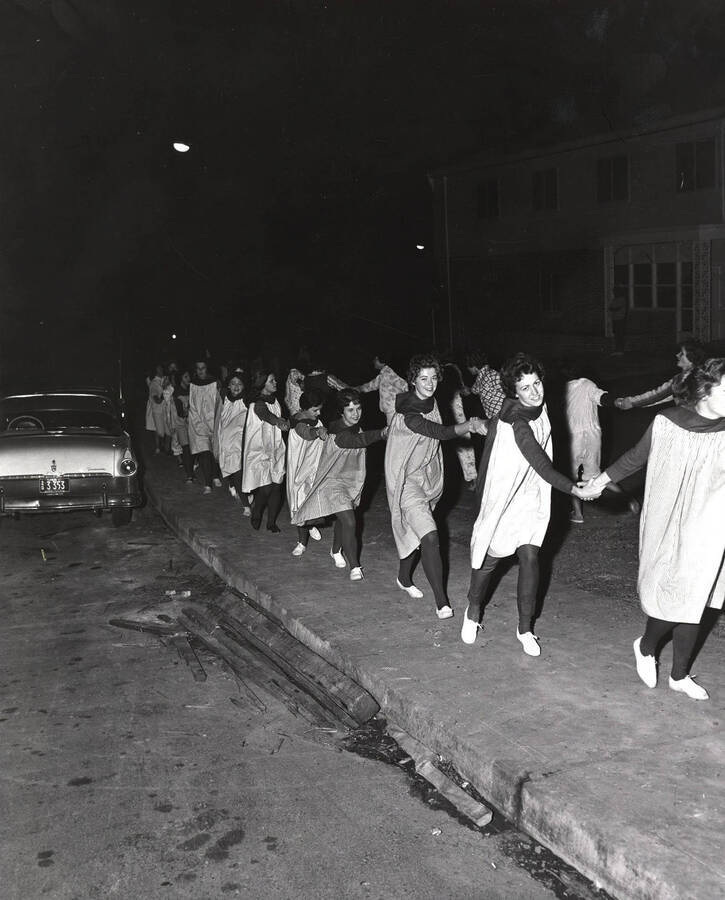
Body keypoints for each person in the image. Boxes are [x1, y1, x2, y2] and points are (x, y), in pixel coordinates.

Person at [586, 358, 725, 700]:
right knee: (674, 594)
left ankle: (679, 675)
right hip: (671, 517)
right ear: (705, 391)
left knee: (699, 596)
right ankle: (647, 646)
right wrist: (599, 481)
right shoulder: (667, 422)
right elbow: (635, 457)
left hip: (711, 521)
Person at [462, 353, 599, 653]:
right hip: (506, 493)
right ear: (514, 393)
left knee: (531, 557)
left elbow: (542, 460)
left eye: (536, 383)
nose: (535, 392)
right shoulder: (517, 421)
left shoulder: (540, 405)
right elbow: (539, 460)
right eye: (525, 388)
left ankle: (525, 628)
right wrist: (572, 488)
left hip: (531, 493)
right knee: (489, 560)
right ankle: (473, 609)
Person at [385, 354, 487, 619]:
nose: (430, 384)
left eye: (433, 378)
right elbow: (439, 433)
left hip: (428, 477)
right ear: (412, 380)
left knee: (417, 536)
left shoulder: (431, 401)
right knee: (430, 536)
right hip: (406, 481)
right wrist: (472, 424)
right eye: (423, 379)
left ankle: (403, 577)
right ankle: (442, 602)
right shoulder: (409, 412)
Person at [296, 389, 386, 581]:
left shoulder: (356, 426)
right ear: (341, 412)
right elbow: (355, 441)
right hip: (332, 482)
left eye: (358, 408)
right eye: (350, 410)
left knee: (344, 518)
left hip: (351, 482)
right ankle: (355, 566)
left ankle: (336, 550)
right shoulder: (338, 431)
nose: (356, 414)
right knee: (350, 520)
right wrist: (382, 433)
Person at [561, 358, 638, 524]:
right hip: (593, 435)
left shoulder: (564, 389)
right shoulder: (588, 384)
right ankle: (628, 501)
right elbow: (602, 398)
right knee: (596, 476)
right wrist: (616, 401)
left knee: (571, 477)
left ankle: (578, 514)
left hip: (574, 437)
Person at [242, 369, 289, 532]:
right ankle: (257, 512)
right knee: (266, 487)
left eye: (275, 380)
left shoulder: (275, 401)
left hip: (275, 448)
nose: (275, 383)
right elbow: (265, 414)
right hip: (260, 450)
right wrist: (278, 422)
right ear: (262, 384)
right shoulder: (257, 403)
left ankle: (271, 522)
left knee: (277, 486)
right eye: (271, 381)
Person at [286, 388, 327, 556]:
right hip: (298, 470)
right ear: (304, 409)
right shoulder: (298, 423)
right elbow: (306, 433)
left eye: (319, 409)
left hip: (313, 467)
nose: (318, 413)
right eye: (315, 409)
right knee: (299, 503)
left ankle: (311, 524)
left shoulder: (316, 420)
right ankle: (302, 542)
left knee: (312, 499)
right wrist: (317, 432)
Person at [614, 340, 707, 409]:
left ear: (690, 359)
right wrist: (635, 403)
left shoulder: (682, 379)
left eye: (682, 353)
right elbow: (663, 397)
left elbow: (656, 395)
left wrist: (629, 402)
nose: (677, 355)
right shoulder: (704, 375)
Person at [216, 372, 251, 515]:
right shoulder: (225, 399)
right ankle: (233, 485)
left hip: (240, 443)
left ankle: (246, 505)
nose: (236, 387)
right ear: (229, 386)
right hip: (225, 441)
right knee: (230, 469)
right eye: (233, 383)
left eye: (239, 384)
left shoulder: (247, 401)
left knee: (238, 472)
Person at [188, 359, 221, 495]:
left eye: (203, 367)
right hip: (198, 423)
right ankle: (208, 483)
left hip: (214, 421)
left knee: (215, 451)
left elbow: (219, 403)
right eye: (198, 368)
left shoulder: (215, 383)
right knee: (204, 452)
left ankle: (215, 475)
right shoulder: (193, 385)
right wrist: (198, 422)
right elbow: (192, 405)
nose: (201, 370)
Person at [354, 354, 408, 425]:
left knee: (394, 433)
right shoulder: (383, 374)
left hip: (394, 411)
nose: (374, 362)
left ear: (381, 361)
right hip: (390, 411)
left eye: (375, 360)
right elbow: (370, 386)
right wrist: (358, 389)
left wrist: (406, 403)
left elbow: (404, 385)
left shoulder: (389, 373)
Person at [466, 351, 505, 420]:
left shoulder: (492, 374)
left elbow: (507, 389)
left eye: (468, 366)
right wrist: (467, 390)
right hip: (493, 418)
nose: (467, 369)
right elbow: (474, 390)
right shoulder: (479, 379)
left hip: (503, 415)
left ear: (473, 366)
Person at [172, 369, 194, 482]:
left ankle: (191, 470)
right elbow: (181, 413)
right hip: (181, 423)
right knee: (186, 448)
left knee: (192, 448)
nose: (188, 379)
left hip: (192, 422)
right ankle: (189, 475)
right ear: (181, 378)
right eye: (186, 377)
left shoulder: (192, 389)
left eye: (189, 376)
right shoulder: (177, 392)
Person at [145, 364, 167, 454]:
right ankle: (158, 447)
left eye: (161, 368)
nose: (161, 370)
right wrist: (165, 392)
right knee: (157, 428)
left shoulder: (164, 380)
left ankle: (163, 447)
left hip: (163, 409)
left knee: (162, 429)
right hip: (156, 409)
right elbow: (156, 399)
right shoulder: (154, 383)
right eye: (159, 369)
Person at [609, 290, 628, 355]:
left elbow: (615, 308)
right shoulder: (615, 299)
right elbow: (610, 308)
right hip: (615, 319)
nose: (615, 293)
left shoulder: (622, 299)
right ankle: (617, 349)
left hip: (620, 319)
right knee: (616, 334)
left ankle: (620, 350)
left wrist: (613, 308)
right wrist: (613, 308)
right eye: (614, 292)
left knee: (620, 334)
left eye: (616, 292)